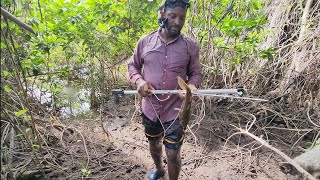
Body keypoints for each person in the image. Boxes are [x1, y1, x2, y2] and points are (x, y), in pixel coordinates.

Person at [127, 0, 202, 179]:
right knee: (154, 144)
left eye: (182, 18)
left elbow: (196, 74)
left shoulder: (190, 46)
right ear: (162, 15)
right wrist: (139, 82)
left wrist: (191, 87)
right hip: (150, 108)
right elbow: (132, 66)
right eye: (173, 16)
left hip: (176, 111)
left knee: (173, 152)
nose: (178, 22)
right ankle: (159, 170)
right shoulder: (145, 42)